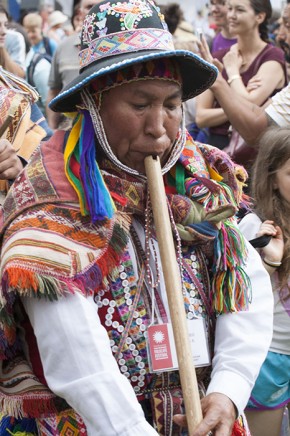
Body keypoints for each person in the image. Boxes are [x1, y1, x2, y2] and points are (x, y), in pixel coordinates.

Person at [0, 1, 273, 435]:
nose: (160, 128)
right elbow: (74, 352)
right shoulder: (52, 201)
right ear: (94, 104)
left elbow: (246, 286)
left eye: (170, 104)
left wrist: (229, 388)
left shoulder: (200, 180)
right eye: (140, 104)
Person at [238, 126, 290, 436]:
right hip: (268, 359)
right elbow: (239, 297)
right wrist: (270, 260)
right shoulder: (255, 227)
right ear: (271, 178)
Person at [195, 0, 287, 150]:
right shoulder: (218, 56)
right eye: (230, 8)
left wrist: (232, 73)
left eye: (240, 10)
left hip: (254, 150)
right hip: (218, 149)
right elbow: (201, 117)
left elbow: (251, 105)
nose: (231, 15)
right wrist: (243, 104)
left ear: (260, 17)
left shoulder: (273, 57)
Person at [46, 0, 102, 130]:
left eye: (100, 5)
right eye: (89, 7)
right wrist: (52, 129)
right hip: (69, 132)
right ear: (80, 12)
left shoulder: (121, 48)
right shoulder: (63, 47)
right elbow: (54, 91)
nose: (95, 11)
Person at [0, 5, 25, 78]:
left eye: (5, 24)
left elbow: (19, 77)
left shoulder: (15, 38)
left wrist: (2, 48)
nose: (4, 31)